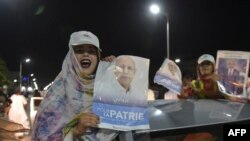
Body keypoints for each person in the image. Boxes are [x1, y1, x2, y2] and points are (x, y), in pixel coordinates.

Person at [31, 31, 118, 140]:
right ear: (71, 56)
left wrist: (116, 69)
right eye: (79, 50)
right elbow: (43, 136)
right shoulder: (58, 92)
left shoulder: (106, 84)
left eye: (91, 51)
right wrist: (75, 132)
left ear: (98, 57)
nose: (86, 54)